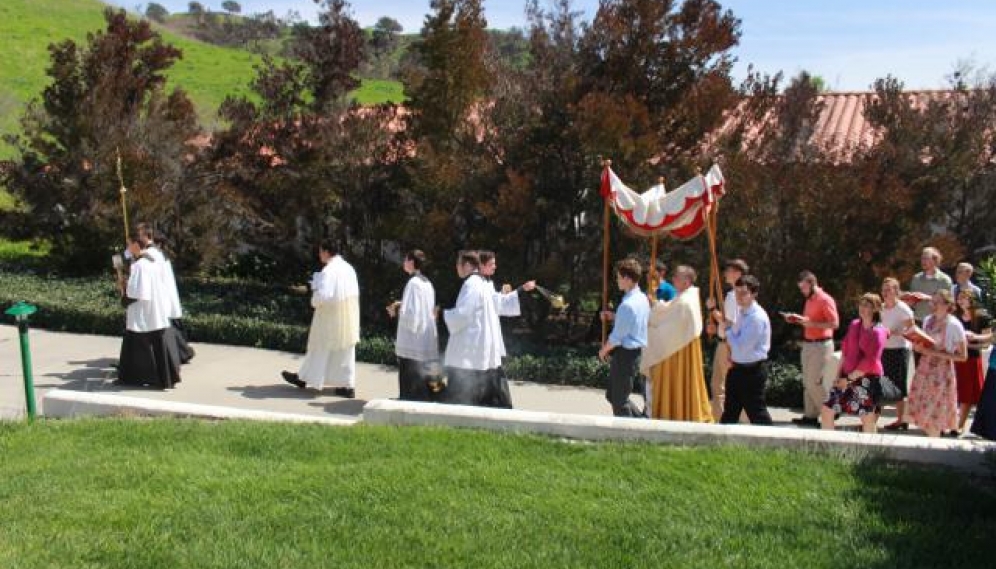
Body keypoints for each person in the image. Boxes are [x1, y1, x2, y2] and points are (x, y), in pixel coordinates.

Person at [281, 240, 360, 398]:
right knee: (344, 352)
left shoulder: (329, 270)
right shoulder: (348, 268)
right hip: (348, 316)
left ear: (325, 252)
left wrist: (314, 296)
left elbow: (324, 296)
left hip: (330, 317)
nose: (319, 255)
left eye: (320, 251)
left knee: (319, 349)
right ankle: (347, 385)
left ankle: (303, 378)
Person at [640, 265, 713, 422]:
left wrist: (654, 312)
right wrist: (656, 306)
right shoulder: (685, 297)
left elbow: (670, 322)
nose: (673, 279)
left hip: (677, 351)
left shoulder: (686, 301)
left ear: (686, 282)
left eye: (677, 277)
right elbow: (669, 310)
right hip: (676, 349)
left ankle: (675, 414)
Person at [442, 250, 513, 408]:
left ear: (466, 265)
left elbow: (462, 314)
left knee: (464, 390)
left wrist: (443, 314)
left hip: (470, 348)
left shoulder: (471, 284)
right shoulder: (481, 282)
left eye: (458, 264)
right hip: (480, 343)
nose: (457, 268)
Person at [116, 236, 181, 389]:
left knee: (139, 346)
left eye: (129, 245)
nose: (128, 248)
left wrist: (123, 291)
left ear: (136, 246)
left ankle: (135, 377)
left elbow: (138, 293)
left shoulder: (140, 265)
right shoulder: (152, 261)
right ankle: (166, 379)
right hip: (156, 311)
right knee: (158, 346)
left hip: (144, 313)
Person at [821, 293, 889, 433]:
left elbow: (870, 361)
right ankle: (828, 448)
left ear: (875, 309)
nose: (862, 308)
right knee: (827, 410)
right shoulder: (854, 325)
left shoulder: (878, 332)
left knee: (867, 418)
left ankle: (872, 450)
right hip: (846, 377)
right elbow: (845, 352)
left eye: (867, 305)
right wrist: (838, 375)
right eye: (861, 304)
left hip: (866, 379)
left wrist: (848, 379)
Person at [907, 289, 968, 438]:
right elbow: (924, 343)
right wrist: (917, 345)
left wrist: (933, 353)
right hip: (924, 371)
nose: (932, 305)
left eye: (936, 302)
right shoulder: (928, 320)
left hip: (941, 374)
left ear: (948, 305)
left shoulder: (954, 325)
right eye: (931, 301)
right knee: (924, 415)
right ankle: (932, 445)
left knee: (934, 416)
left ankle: (934, 446)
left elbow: (963, 356)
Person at [134, 222, 194, 365]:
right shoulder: (157, 254)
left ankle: (182, 353)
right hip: (164, 295)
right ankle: (182, 353)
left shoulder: (154, 254)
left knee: (167, 329)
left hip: (161, 295)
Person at [785, 271, 839, 427]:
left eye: (803, 287)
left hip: (821, 345)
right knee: (806, 382)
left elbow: (834, 323)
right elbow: (811, 320)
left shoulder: (825, 299)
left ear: (811, 284)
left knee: (813, 382)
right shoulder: (809, 300)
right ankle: (810, 416)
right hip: (808, 343)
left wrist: (812, 324)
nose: (802, 291)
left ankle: (830, 411)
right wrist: (797, 319)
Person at [598, 258, 650, 417]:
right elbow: (632, 323)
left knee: (619, 400)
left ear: (627, 279)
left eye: (619, 277)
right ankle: (640, 424)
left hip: (625, 354)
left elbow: (616, 338)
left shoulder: (628, 304)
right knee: (613, 395)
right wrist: (614, 316)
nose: (617, 280)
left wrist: (603, 351)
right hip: (633, 352)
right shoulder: (642, 298)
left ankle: (630, 433)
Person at [719, 275, 773, 425]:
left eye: (743, 293)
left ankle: (771, 442)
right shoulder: (742, 313)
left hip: (752, 371)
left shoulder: (757, 318)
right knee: (730, 411)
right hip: (738, 369)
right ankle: (723, 442)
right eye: (737, 293)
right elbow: (735, 340)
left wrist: (726, 330)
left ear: (754, 294)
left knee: (757, 412)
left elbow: (741, 346)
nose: (739, 297)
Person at [388, 249, 439, 401]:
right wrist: (401, 304)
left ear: (411, 262)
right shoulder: (427, 283)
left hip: (413, 338)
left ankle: (408, 400)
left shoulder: (413, 283)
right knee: (424, 374)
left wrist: (396, 310)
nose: (404, 263)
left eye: (405, 259)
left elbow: (411, 314)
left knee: (410, 372)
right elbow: (423, 308)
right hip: (426, 336)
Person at [707, 258, 749, 421]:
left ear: (737, 273)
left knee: (719, 386)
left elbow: (729, 322)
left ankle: (721, 420)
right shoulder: (739, 295)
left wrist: (713, 310)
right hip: (732, 343)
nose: (725, 274)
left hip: (727, 344)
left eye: (729, 271)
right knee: (730, 385)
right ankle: (741, 419)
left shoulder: (734, 296)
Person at [953, 290, 992, 434]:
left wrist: (974, 338)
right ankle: (953, 423)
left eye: (964, 298)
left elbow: (989, 337)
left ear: (972, 300)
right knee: (955, 392)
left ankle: (960, 425)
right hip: (955, 357)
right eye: (959, 298)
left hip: (971, 358)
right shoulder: (955, 317)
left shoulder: (982, 317)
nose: (960, 301)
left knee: (967, 394)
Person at [880, 277, 916, 431]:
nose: (885, 293)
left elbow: (912, 330)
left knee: (898, 385)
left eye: (889, 289)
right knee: (880, 383)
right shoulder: (881, 308)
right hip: (883, 349)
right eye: (883, 290)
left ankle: (902, 419)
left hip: (899, 349)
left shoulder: (903, 308)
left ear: (896, 291)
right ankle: (873, 417)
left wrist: (895, 332)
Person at [908, 247, 953, 324]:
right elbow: (912, 303)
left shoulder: (944, 280)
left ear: (935, 260)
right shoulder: (916, 278)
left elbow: (948, 303)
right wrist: (908, 298)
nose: (923, 261)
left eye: (926, 258)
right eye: (922, 259)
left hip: (936, 322)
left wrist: (927, 297)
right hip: (917, 320)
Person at [969, 330, 996, 440]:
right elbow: (992, 338)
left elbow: (992, 337)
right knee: (989, 401)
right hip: (994, 367)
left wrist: (975, 338)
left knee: (990, 401)